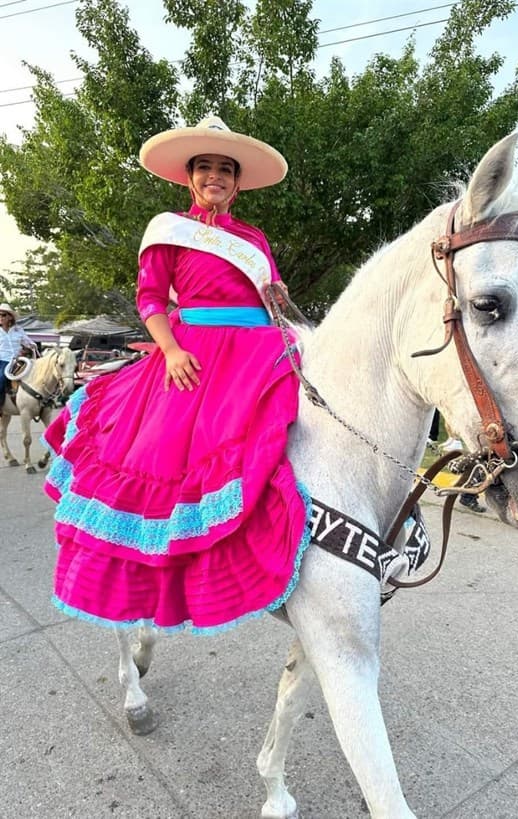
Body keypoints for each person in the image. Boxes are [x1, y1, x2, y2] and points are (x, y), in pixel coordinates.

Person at [43, 116, 310, 634]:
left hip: (260, 348)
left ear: (236, 182)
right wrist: (168, 350)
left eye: (225, 170)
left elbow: (272, 295)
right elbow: (150, 299)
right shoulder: (168, 228)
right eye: (205, 167)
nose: (216, 176)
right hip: (195, 355)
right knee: (169, 459)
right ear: (190, 178)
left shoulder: (253, 237)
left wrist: (287, 310)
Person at [0, 302, 37, 406]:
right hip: (3, 360)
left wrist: (32, 345)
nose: (0, 317)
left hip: (19, 360)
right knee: (1, 378)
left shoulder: (18, 330)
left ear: (10, 317)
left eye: (3, 315)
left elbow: (27, 341)